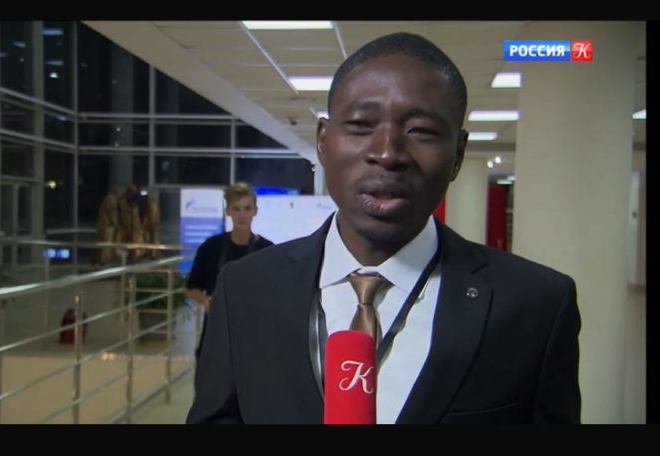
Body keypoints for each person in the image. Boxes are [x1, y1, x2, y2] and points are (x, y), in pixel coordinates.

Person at [186, 32, 581, 424]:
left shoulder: (535, 306)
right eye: (361, 124)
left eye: (421, 130)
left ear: (458, 154)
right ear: (323, 142)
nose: (388, 153)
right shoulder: (244, 289)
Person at [184, 182, 274, 361]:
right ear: (228, 211)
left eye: (247, 208)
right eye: (236, 208)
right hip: (216, 332)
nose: (242, 215)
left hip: (254, 335)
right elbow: (191, 287)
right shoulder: (210, 248)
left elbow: (274, 292)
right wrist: (207, 302)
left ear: (255, 211)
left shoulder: (267, 250)